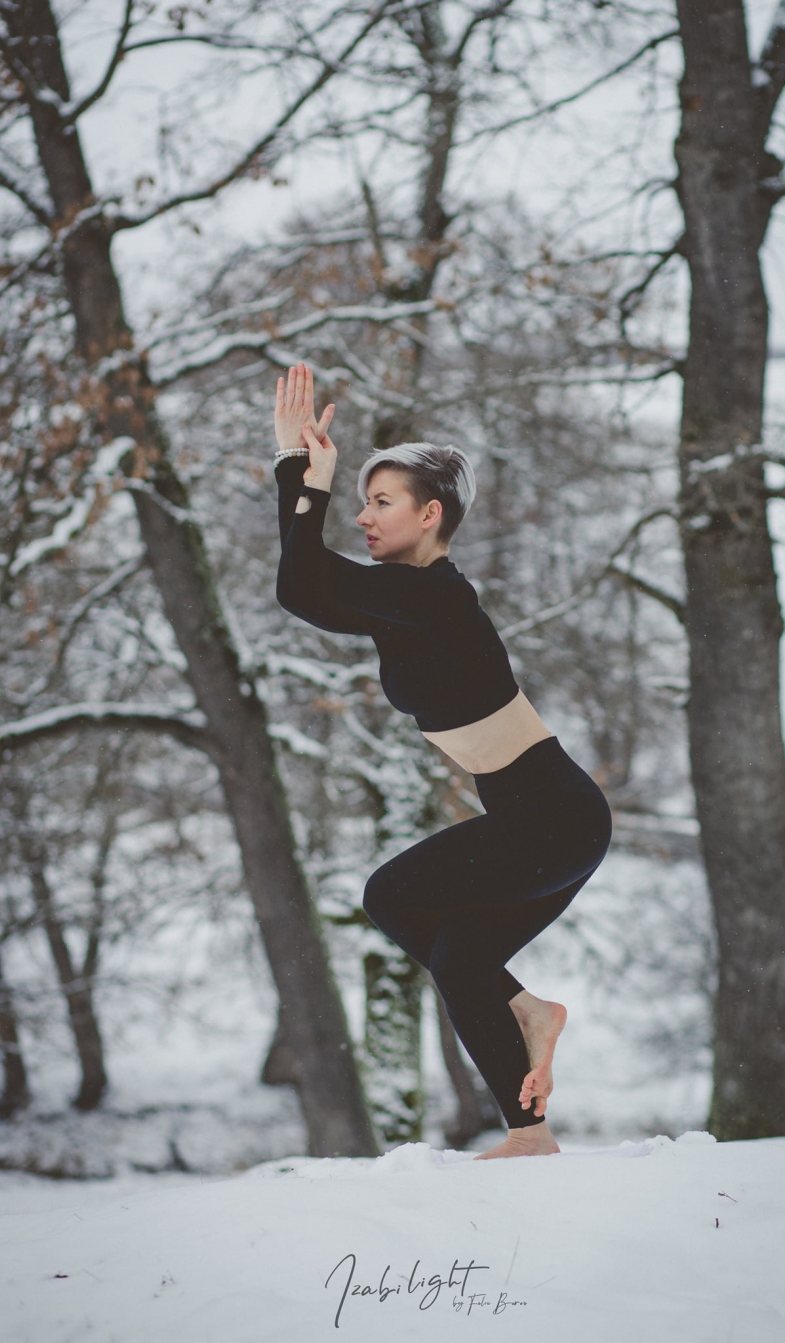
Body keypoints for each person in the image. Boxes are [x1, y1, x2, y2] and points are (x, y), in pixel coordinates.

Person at [273, 363, 612, 1159]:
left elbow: (299, 582)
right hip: (546, 821)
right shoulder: (402, 602)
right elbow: (307, 591)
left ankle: (527, 1018)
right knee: (457, 953)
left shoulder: (433, 598)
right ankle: (529, 1129)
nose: (362, 516)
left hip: (553, 820)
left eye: (380, 503)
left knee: (390, 894)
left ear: (430, 515)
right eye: (362, 501)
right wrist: (295, 473)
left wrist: (305, 474)